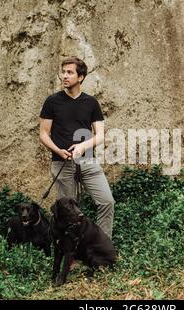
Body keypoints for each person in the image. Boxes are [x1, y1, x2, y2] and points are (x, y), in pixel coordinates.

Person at [39, 57, 115, 239]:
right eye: (63, 72)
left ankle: (102, 247)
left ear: (80, 77)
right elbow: (43, 134)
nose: (64, 76)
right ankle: (70, 255)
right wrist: (58, 150)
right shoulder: (52, 102)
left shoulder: (91, 103)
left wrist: (82, 146)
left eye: (70, 72)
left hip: (87, 162)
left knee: (107, 201)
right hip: (62, 164)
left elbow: (100, 135)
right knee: (68, 214)